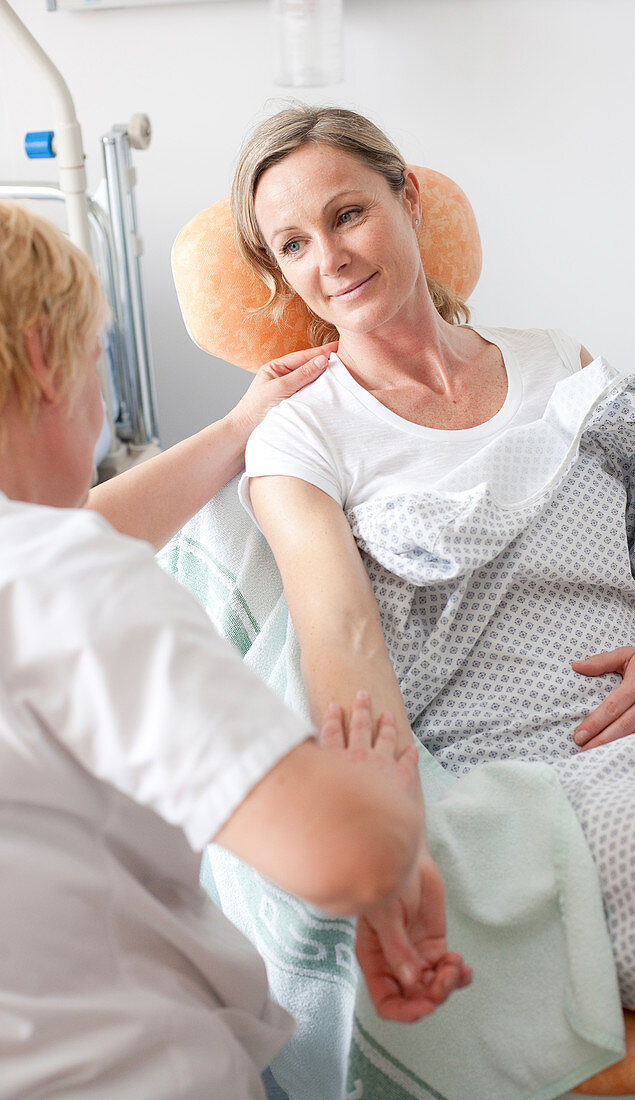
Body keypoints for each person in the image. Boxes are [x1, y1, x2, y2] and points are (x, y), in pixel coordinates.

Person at [230, 104, 635, 1092]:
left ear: (406, 197)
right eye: (293, 242)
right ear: (280, 272)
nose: (328, 256)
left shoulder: (559, 362)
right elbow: (339, 641)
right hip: (547, 784)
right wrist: (391, 850)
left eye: (347, 214)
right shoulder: (301, 440)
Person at [0, 200, 471, 1099]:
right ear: (38, 358)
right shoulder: (67, 580)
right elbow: (345, 854)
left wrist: (228, 431)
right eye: (96, 364)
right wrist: (383, 816)